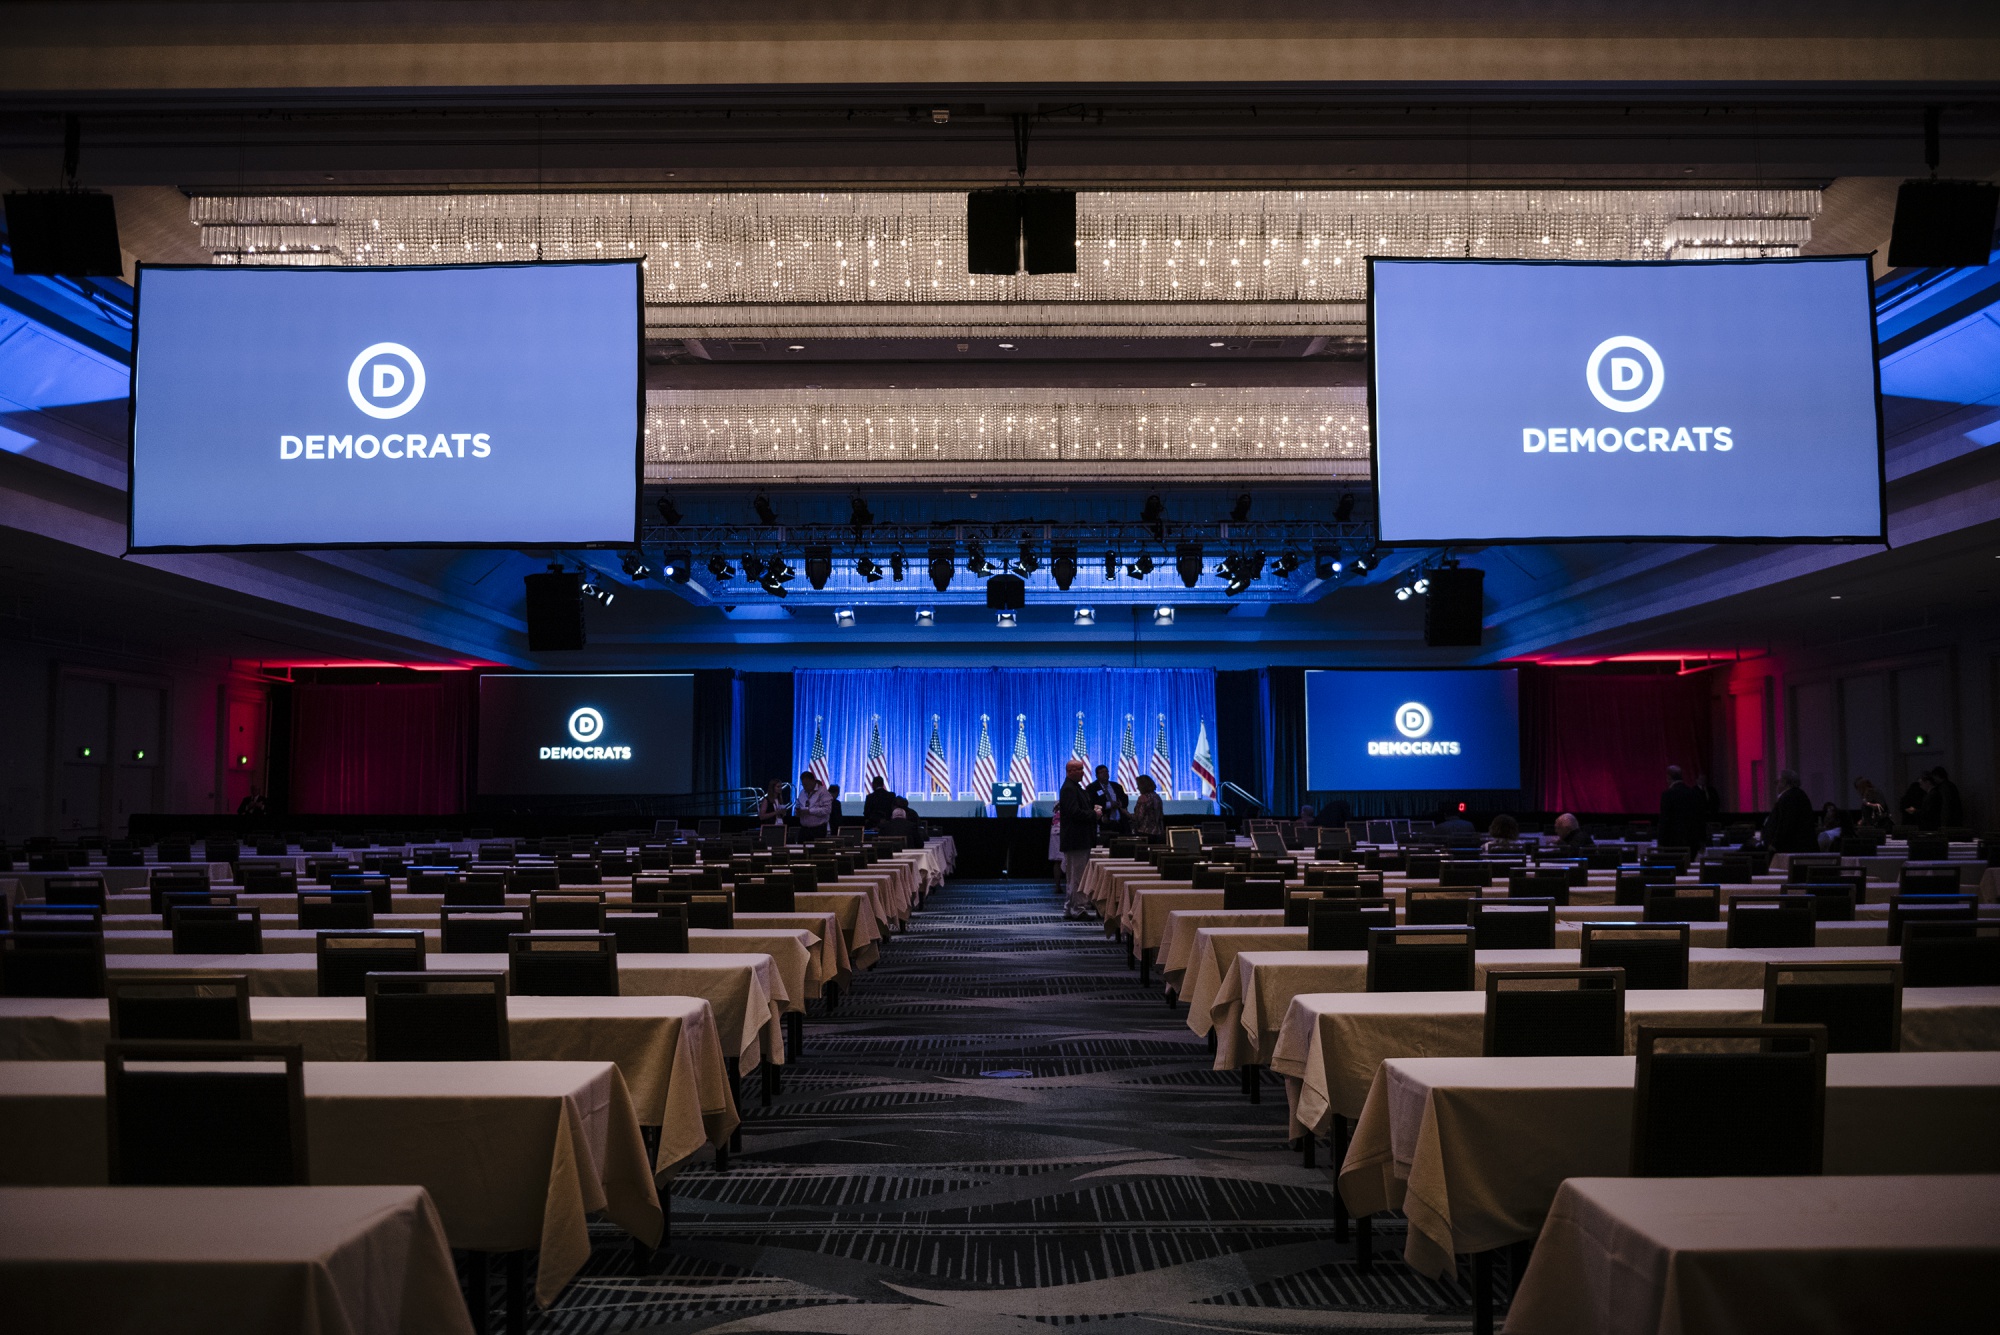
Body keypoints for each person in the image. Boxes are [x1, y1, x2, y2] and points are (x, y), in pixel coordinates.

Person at [1058, 758, 1100, 919]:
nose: (1083, 772)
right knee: (1078, 876)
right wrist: (1093, 814)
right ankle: (1078, 909)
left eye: (1082, 769)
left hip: (1076, 839)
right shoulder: (1069, 789)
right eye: (1079, 769)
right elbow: (1074, 813)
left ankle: (1070, 908)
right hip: (1076, 839)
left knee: (1073, 876)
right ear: (1069, 771)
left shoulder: (1074, 788)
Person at [1762, 768, 1817, 853]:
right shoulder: (1798, 795)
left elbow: (1785, 824)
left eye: (1778, 782)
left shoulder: (1789, 798)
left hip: (1791, 850)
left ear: (1784, 782)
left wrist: (1774, 844)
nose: (1776, 785)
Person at [1657, 765, 1709, 852]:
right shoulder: (1694, 793)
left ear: (1668, 777)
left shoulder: (1667, 795)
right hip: (1692, 842)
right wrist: (1702, 841)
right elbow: (1701, 818)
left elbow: (1665, 820)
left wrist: (1661, 842)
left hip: (1672, 843)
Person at [1090, 764, 1129, 837]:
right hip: (1104, 822)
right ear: (1097, 775)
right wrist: (1109, 805)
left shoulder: (1117, 786)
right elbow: (1092, 803)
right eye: (1102, 772)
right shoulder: (1092, 788)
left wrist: (1120, 804)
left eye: (1106, 772)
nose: (1105, 774)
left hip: (1120, 822)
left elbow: (1125, 800)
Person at [795, 770, 833, 837]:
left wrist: (809, 811)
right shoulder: (802, 792)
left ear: (813, 781)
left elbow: (827, 810)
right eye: (803, 784)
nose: (804, 787)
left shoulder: (823, 792)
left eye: (806, 784)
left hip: (818, 830)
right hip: (804, 829)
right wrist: (798, 812)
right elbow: (798, 805)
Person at [1130, 774, 1165, 842]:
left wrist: (1124, 812)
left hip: (1145, 833)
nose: (1137, 788)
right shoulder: (1157, 797)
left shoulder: (1143, 798)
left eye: (1139, 785)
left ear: (1143, 786)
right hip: (1158, 833)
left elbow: (1138, 817)